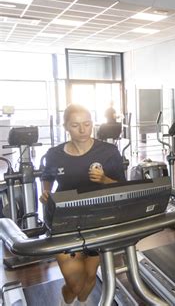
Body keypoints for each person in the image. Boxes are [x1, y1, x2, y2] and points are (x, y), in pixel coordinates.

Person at [40, 104, 126, 306]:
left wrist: (105, 180)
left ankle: (78, 303)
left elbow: (123, 187)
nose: (82, 130)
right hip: (63, 222)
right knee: (75, 283)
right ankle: (66, 302)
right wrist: (46, 195)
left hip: (97, 221)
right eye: (76, 125)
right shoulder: (54, 154)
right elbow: (47, 180)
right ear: (66, 127)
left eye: (87, 124)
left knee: (88, 280)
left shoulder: (109, 151)